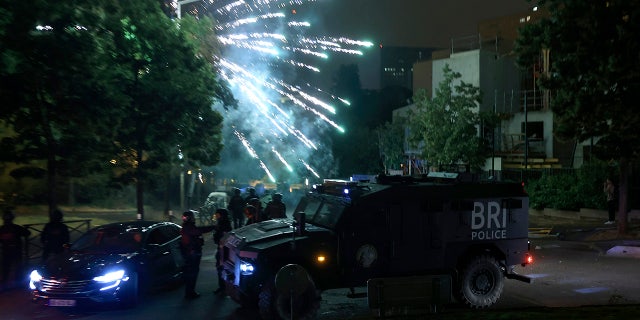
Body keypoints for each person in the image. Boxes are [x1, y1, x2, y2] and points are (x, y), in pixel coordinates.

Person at [180, 210, 215, 299]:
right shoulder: (188, 227)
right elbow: (199, 231)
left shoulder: (187, 226)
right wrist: (212, 227)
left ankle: (190, 292)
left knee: (192, 273)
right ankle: (190, 293)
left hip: (192, 251)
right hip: (192, 252)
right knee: (192, 273)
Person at [0, 210, 31, 290]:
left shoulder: (3, 229)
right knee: (16, 267)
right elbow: (27, 233)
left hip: (8, 250)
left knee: (7, 267)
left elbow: (27, 233)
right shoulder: (16, 228)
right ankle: (17, 283)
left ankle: (6, 282)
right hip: (14, 250)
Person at [212, 208, 232, 294]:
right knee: (220, 267)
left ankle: (224, 287)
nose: (216, 216)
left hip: (223, 249)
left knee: (222, 267)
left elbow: (224, 236)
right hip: (221, 248)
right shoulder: (222, 223)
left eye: (218, 214)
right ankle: (223, 286)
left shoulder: (224, 224)